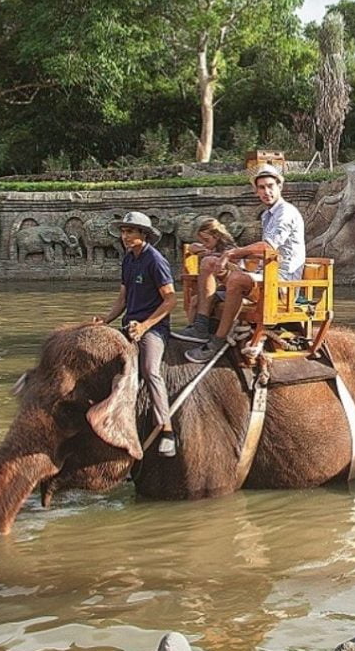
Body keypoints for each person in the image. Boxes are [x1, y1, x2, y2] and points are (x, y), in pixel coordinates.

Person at [186, 164, 306, 363]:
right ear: (256, 191)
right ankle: (200, 325)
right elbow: (262, 254)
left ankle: (218, 341)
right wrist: (226, 257)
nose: (266, 192)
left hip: (282, 283)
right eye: (261, 188)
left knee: (235, 278)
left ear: (280, 187)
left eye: (270, 186)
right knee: (208, 262)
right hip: (264, 275)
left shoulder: (285, 212)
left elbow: (268, 247)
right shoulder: (268, 215)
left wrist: (232, 253)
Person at [92, 211, 178, 457]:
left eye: (130, 231)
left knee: (151, 370)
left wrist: (145, 326)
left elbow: (171, 299)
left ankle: (167, 429)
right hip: (129, 324)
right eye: (123, 232)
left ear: (144, 234)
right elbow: (123, 297)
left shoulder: (155, 260)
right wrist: (106, 320)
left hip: (153, 328)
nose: (125, 236)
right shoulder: (129, 259)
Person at [172, 217, 241, 343]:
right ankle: (193, 327)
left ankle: (199, 329)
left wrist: (215, 257)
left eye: (206, 240)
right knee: (194, 300)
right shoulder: (210, 248)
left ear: (217, 236)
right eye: (202, 241)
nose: (205, 243)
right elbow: (192, 247)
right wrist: (205, 249)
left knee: (198, 299)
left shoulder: (230, 250)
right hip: (220, 290)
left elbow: (236, 269)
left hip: (233, 291)